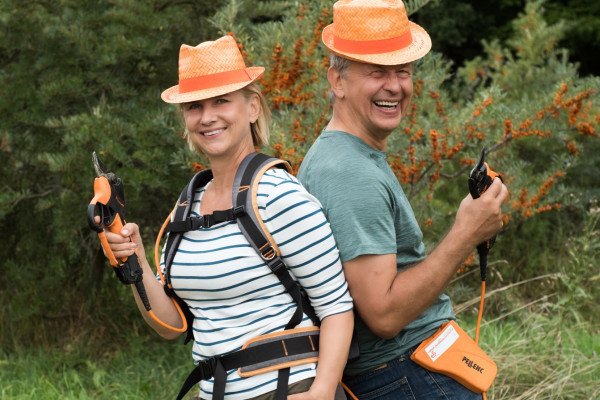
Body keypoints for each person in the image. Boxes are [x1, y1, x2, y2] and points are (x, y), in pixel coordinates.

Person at [99, 35, 354, 400]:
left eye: (222, 101)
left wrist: (324, 390)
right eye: (194, 106)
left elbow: (337, 308)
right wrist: (134, 259)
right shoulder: (188, 206)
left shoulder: (280, 196)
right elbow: (171, 326)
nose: (207, 117)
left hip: (289, 389)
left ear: (252, 107)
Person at [297, 1, 508, 399]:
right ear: (337, 82)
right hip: (405, 374)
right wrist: (466, 233)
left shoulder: (350, 155)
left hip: (414, 370)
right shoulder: (348, 172)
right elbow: (384, 314)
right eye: (377, 72)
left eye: (403, 72)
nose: (394, 86)